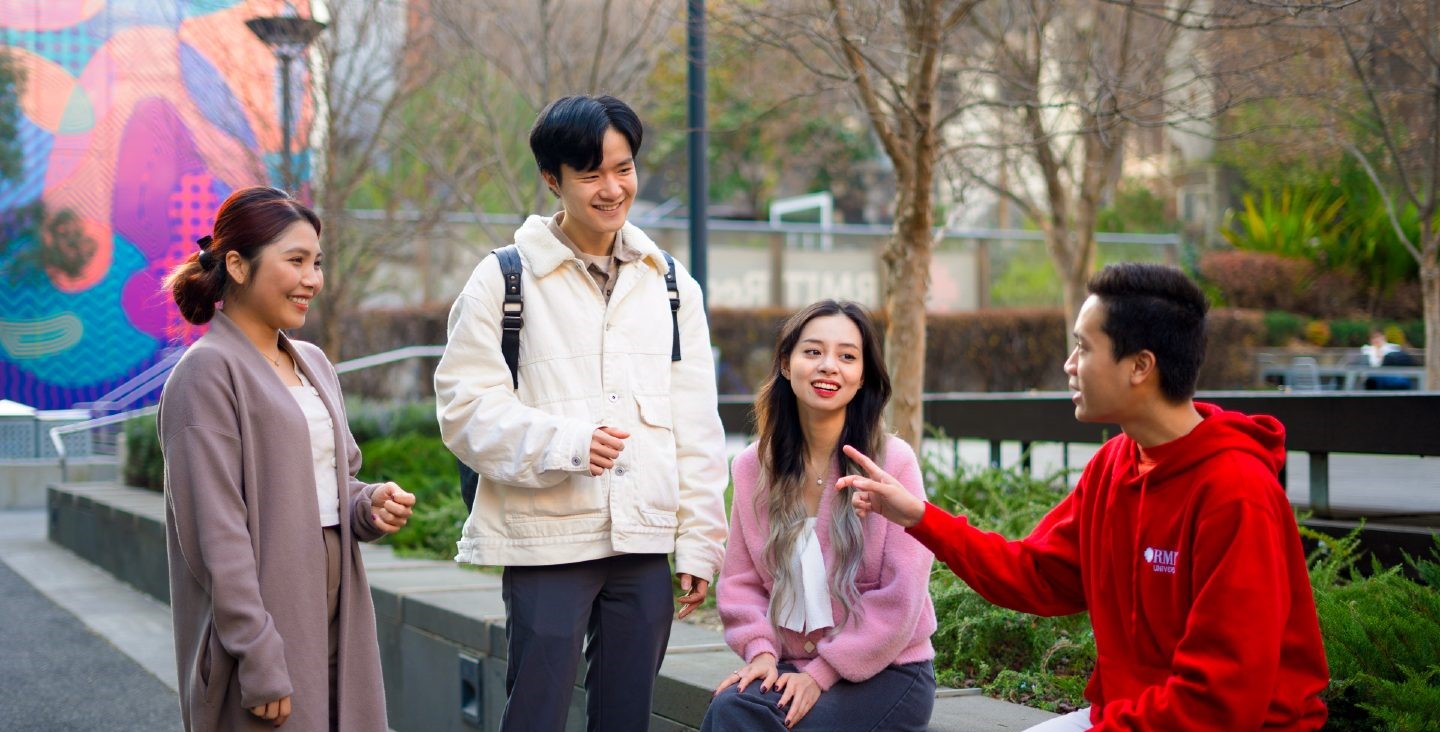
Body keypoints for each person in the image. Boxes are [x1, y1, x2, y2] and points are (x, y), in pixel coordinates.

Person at [844, 263, 1329, 731]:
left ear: (1140, 366)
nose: (1068, 365)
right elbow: (1036, 576)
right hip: (1124, 717)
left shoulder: (1237, 494)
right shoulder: (1114, 464)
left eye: (1083, 348)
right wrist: (920, 518)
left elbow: (1220, 701)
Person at [433, 95, 728, 732]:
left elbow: (696, 424)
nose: (612, 188)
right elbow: (463, 410)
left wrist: (699, 541)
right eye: (591, 173)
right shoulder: (501, 281)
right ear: (552, 178)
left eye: (623, 169)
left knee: (626, 719)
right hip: (546, 542)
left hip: (643, 538)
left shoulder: (672, 285)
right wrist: (567, 443)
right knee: (535, 715)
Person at [159, 186, 416, 731]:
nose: (312, 280)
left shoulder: (314, 364)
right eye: (295, 261)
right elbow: (216, 536)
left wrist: (368, 504)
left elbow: (330, 481)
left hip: (338, 611)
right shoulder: (205, 374)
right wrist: (257, 655)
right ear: (238, 265)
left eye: (317, 263)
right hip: (264, 620)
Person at [702, 300, 937, 732]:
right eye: (813, 352)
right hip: (792, 663)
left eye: (847, 356)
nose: (829, 366)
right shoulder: (754, 467)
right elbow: (740, 582)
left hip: (889, 673)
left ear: (862, 375)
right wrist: (761, 654)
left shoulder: (891, 464)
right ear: (787, 365)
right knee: (729, 709)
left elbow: (901, 597)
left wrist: (821, 674)